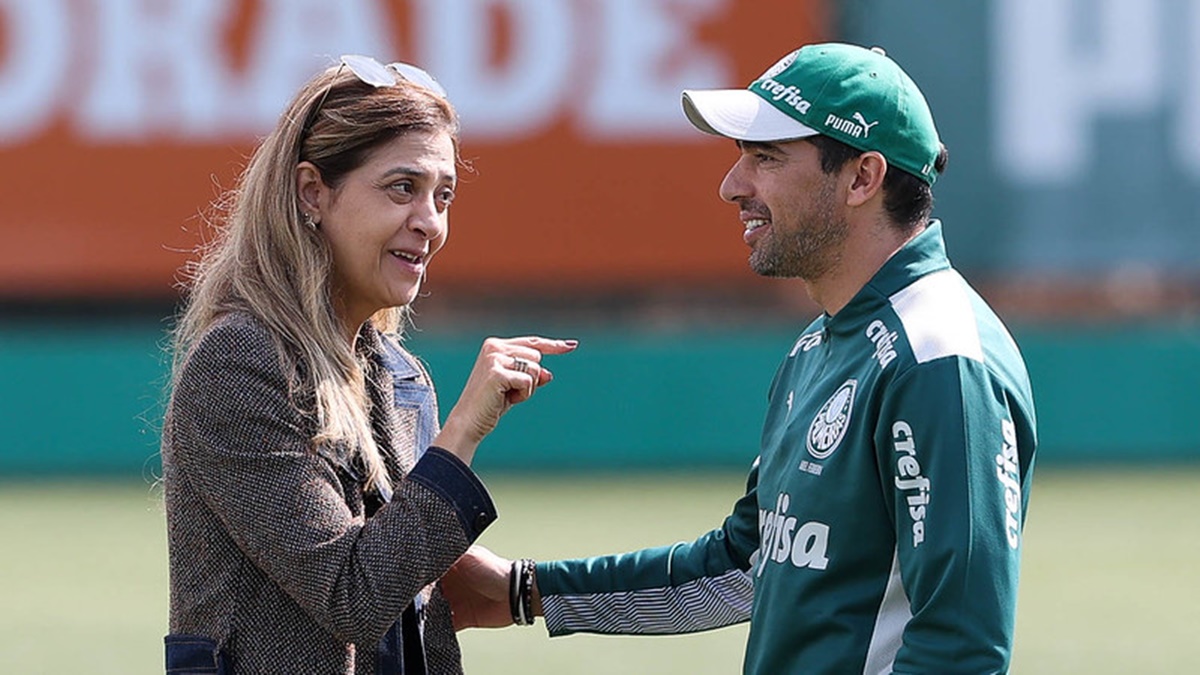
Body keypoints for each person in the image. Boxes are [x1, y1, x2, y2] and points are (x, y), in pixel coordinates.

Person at [444, 42, 1037, 674]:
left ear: (863, 177)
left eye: (767, 158)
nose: (733, 186)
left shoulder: (939, 359)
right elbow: (742, 566)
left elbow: (962, 649)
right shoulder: (821, 345)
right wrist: (522, 591)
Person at [160, 54, 576, 674]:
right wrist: (463, 433)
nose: (430, 223)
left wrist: (514, 587)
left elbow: (417, 623)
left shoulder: (401, 375)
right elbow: (351, 595)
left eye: (444, 195)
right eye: (401, 188)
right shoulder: (239, 360)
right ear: (312, 194)